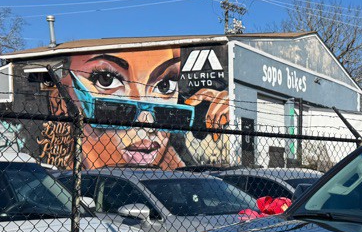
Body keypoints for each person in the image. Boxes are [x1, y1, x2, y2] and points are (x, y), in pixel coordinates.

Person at [43, 47, 229, 170]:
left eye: (165, 85)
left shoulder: (180, 182)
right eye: (106, 80)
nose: (146, 123)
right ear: (60, 102)